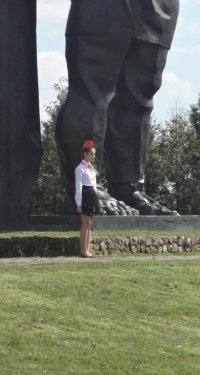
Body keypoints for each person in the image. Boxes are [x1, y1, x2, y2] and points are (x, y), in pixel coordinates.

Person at [56, 0, 179, 216]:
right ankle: (86, 187)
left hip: (159, 7)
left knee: (140, 98)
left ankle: (128, 188)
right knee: (92, 90)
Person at [75, 140, 99, 258]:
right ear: (85, 154)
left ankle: (87, 249)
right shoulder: (80, 168)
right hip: (84, 194)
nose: (93, 156)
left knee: (90, 224)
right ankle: (83, 251)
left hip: (91, 195)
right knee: (85, 223)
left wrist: (96, 197)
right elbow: (78, 187)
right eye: (91, 154)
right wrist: (78, 204)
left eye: (94, 154)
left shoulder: (91, 168)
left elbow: (94, 184)